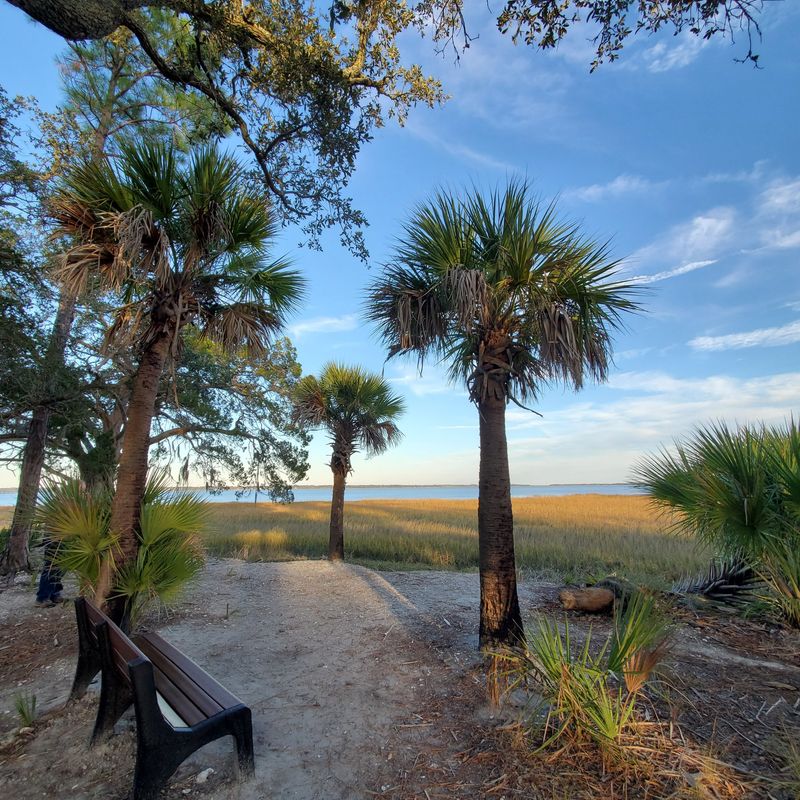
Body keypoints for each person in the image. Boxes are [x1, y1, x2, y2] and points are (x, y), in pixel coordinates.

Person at [35, 539, 64, 607]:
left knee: (59, 568)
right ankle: (42, 598)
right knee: (50, 567)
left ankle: (54, 594)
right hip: (53, 539)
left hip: (63, 540)